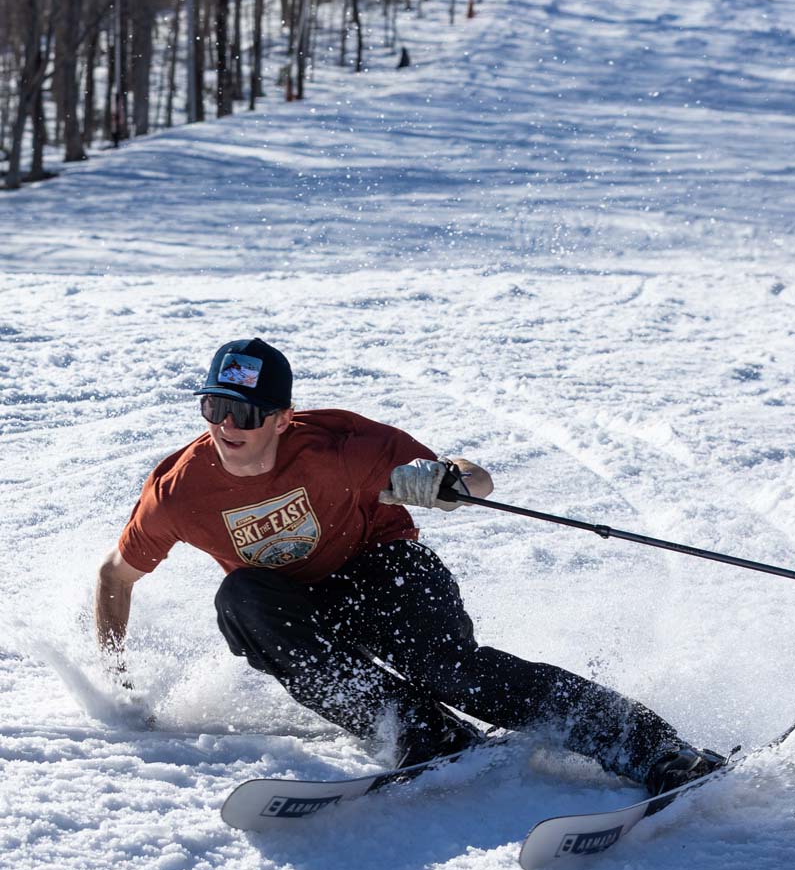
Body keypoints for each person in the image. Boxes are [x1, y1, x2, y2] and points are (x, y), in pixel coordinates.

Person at [95, 338, 723, 796]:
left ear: (283, 418)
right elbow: (114, 578)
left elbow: (476, 478)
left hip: (386, 571)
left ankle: (657, 749)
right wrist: (115, 680)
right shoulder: (178, 491)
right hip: (301, 604)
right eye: (214, 408)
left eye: (246, 414)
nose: (226, 427)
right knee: (240, 597)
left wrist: (443, 482)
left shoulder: (343, 447)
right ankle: (420, 732)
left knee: (450, 670)